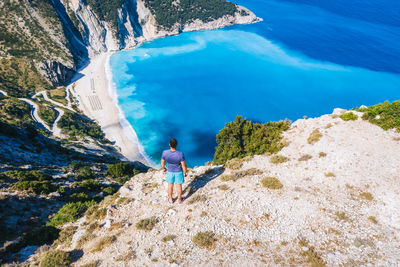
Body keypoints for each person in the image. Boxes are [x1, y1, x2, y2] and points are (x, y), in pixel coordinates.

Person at [161, 138, 188, 204]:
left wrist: (164, 169)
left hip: (169, 171)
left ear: (169, 144)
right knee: (178, 186)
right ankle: (179, 199)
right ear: (176, 145)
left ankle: (170, 200)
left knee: (170, 186)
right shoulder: (180, 154)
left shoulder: (165, 153)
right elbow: (184, 165)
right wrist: (185, 172)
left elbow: (162, 163)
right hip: (178, 172)